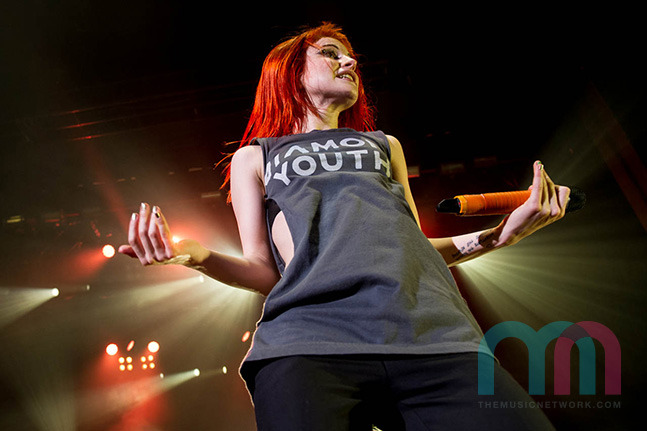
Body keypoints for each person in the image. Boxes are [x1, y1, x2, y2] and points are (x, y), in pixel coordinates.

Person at [119, 23, 568, 430]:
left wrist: (502, 233)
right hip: (310, 344)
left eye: (351, 57)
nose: (350, 63)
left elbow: (415, 248)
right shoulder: (255, 157)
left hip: (434, 337)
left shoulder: (384, 145)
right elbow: (265, 271)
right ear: (289, 71)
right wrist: (192, 254)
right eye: (331, 54)